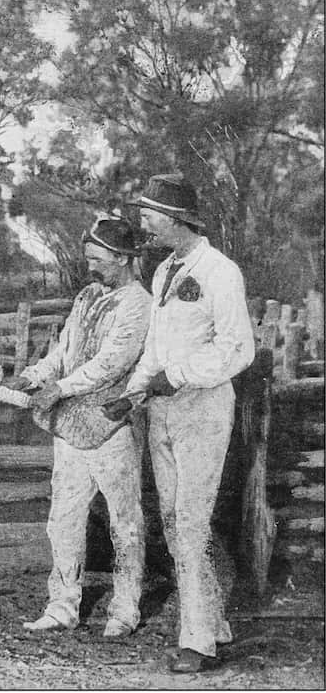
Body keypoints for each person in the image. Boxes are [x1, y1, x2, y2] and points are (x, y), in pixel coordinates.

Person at [104, 173, 255, 673]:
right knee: (173, 520)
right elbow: (155, 347)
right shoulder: (164, 270)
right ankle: (213, 624)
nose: (143, 224)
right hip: (163, 410)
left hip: (203, 409)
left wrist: (180, 376)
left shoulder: (220, 271)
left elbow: (237, 349)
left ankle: (199, 643)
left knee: (190, 521)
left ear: (175, 219)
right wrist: (132, 392)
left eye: (149, 215)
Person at [9, 215, 152, 638]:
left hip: (113, 423)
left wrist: (59, 388)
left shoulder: (138, 303)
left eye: (98, 260)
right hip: (72, 423)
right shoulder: (87, 296)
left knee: (124, 519)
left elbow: (112, 364)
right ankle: (62, 605)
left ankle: (125, 608)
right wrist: (34, 376)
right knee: (64, 516)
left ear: (123, 258)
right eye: (88, 258)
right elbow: (63, 349)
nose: (90, 267)